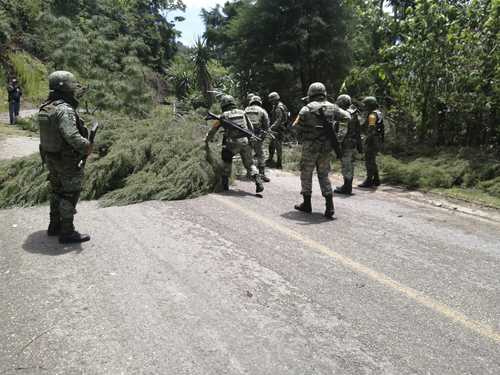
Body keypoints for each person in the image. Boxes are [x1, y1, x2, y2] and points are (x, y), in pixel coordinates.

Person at [38, 71, 92, 244]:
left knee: (56, 191)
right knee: (69, 194)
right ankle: (67, 232)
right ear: (66, 87)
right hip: (66, 160)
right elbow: (72, 136)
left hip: (51, 157)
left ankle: (54, 226)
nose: (74, 89)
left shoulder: (46, 106)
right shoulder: (64, 109)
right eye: (72, 85)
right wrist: (87, 146)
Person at [292, 82, 351, 219]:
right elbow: (347, 117)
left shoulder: (306, 109)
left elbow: (295, 127)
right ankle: (329, 206)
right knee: (323, 174)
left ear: (310, 93)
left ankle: (307, 204)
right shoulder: (333, 107)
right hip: (326, 146)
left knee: (306, 173)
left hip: (310, 147)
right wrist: (339, 136)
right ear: (324, 93)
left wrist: (305, 133)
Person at [205, 95, 264, 194]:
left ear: (223, 104)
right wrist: (249, 139)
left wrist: (206, 140)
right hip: (245, 141)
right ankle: (257, 177)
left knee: (226, 161)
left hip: (231, 143)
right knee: (250, 164)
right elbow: (251, 128)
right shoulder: (243, 112)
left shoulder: (223, 115)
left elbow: (213, 130)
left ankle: (225, 184)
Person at [334, 94, 363, 195]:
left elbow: (342, 132)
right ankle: (347, 186)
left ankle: (347, 187)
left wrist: (337, 145)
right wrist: (360, 145)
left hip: (346, 143)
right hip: (353, 142)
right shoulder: (354, 113)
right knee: (350, 164)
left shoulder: (345, 114)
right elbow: (358, 131)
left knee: (346, 165)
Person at [358, 96, 384, 188]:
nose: (364, 107)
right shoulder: (378, 113)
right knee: (372, 160)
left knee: (369, 160)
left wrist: (367, 140)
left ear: (370, 106)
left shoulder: (372, 115)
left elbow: (371, 129)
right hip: (378, 139)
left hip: (372, 140)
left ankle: (369, 181)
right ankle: (376, 180)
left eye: (366, 105)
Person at [245, 95, 271, 182]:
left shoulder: (245, 110)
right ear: (259, 102)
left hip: (246, 134)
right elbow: (266, 125)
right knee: (260, 154)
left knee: (248, 154)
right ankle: (262, 174)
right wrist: (262, 137)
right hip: (257, 135)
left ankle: (249, 173)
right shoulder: (262, 111)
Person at [266, 91, 288, 169]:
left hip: (278, 130)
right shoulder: (278, 106)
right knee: (271, 145)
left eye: (272, 100)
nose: (271, 102)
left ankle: (279, 163)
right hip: (277, 129)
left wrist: (271, 127)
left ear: (275, 99)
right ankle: (270, 159)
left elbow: (279, 120)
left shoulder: (279, 107)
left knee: (278, 146)